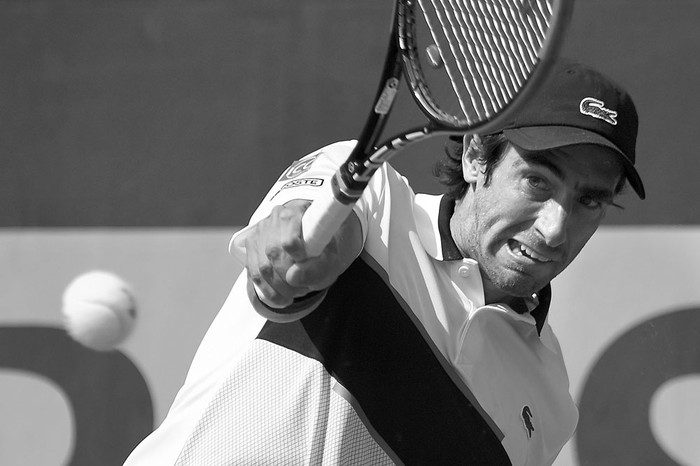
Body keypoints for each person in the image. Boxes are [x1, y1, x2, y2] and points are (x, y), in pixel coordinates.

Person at [123, 58, 645, 465]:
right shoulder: (371, 197)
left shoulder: (550, 404)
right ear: (475, 155)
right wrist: (297, 259)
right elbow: (310, 230)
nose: (556, 228)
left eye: (590, 200)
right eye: (537, 180)